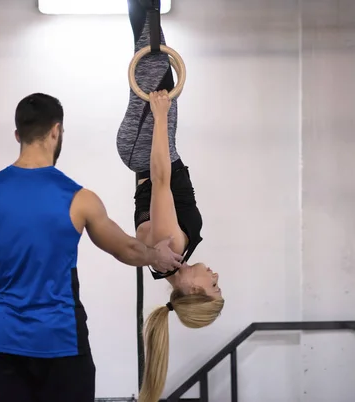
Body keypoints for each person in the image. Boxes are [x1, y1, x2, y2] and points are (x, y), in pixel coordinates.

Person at [0, 92, 184, 402]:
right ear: (55, 131)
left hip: (6, 339)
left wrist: (5, 297)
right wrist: (157, 255)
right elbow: (126, 249)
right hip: (62, 340)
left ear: (17, 135)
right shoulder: (79, 199)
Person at [116, 1, 225, 401]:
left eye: (212, 286)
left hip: (149, 150)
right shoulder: (166, 261)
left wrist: (160, 117)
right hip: (155, 148)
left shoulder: (172, 249)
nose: (215, 276)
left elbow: (160, 181)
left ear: (193, 290)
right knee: (147, 41)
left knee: (153, 43)